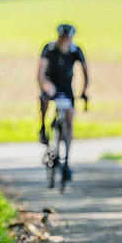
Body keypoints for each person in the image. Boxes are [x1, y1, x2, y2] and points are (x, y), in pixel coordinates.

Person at [37, 24, 89, 179]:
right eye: (62, 38)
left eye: (68, 38)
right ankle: (43, 128)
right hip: (50, 82)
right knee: (47, 95)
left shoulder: (75, 51)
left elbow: (86, 73)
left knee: (69, 118)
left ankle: (66, 160)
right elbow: (40, 73)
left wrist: (84, 91)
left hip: (66, 87)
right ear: (58, 37)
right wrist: (44, 89)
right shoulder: (49, 49)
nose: (65, 41)